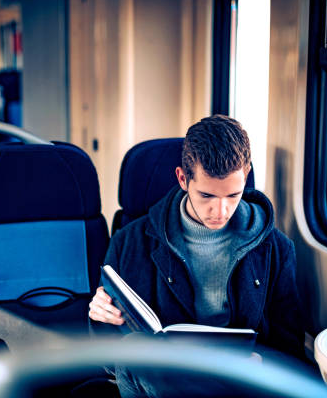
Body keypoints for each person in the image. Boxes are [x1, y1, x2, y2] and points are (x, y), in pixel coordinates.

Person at [89, 114, 305, 397]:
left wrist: (263, 364)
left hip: (237, 378)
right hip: (158, 377)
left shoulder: (276, 250)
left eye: (232, 195)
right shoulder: (129, 242)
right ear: (182, 178)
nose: (221, 211)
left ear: (246, 176)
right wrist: (100, 316)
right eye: (206, 196)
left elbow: (290, 348)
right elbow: (108, 357)